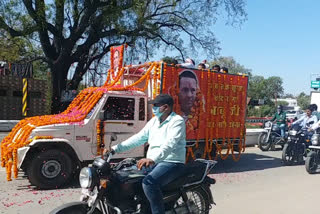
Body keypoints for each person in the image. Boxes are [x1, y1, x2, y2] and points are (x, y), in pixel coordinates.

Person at [108, 94, 186, 214]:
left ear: (166, 107)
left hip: (172, 162)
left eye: (156, 105)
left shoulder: (177, 121)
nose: (153, 108)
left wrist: (152, 159)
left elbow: (170, 144)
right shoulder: (154, 122)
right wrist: (114, 149)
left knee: (149, 183)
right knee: (127, 178)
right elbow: (138, 138)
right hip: (154, 161)